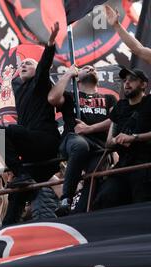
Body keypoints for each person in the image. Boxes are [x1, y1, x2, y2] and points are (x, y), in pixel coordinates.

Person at [0, 22, 61, 225]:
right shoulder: (18, 88)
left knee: (9, 129)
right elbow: (11, 77)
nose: (23, 66)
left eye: (29, 64)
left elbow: (45, 65)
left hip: (45, 140)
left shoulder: (40, 83)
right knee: (16, 196)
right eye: (22, 65)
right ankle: (6, 230)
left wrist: (51, 42)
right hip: (31, 156)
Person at [48, 64, 117, 215]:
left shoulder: (109, 98)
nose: (91, 68)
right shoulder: (70, 96)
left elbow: (115, 119)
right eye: (86, 68)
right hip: (73, 139)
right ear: (77, 78)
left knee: (95, 174)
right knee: (80, 146)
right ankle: (66, 198)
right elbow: (52, 98)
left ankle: (81, 211)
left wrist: (89, 129)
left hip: (98, 146)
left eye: (93, 68)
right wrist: (67, 75)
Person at [93, 68, 151, 209]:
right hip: (123, 167)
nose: (127, 83)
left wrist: (133, 138)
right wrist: (116, 140)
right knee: (104, 199)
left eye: (132, 79)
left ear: (143, 84)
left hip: (146, 165)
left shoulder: (149, 102)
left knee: (142, 205)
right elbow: (108, 142)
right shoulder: (120, 106)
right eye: (125, 80)